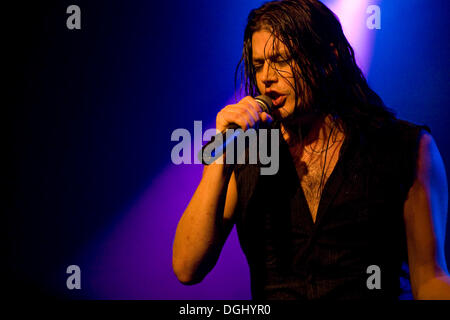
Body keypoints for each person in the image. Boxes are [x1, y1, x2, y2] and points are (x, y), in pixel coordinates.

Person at [172, 0, 450, 299]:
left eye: (280, 60)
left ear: (328, 60)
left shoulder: (404, 147)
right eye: (259, 64)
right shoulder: (249, 153)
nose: (266, 77)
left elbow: (430, 276)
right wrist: (220, 157)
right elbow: (188, 267)